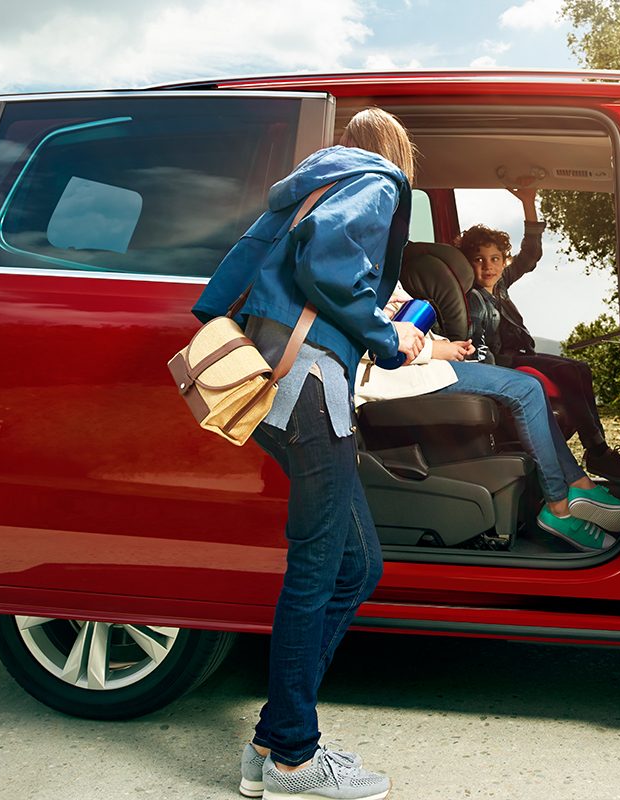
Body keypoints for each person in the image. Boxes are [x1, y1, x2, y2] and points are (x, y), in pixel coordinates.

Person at [194, 108, 421, 800]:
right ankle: (294, 759)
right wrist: (390, 338)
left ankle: (272, 740)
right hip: (311, 385)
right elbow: (329, 263)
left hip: (272, 380)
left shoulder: (309, 183)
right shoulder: (377, 179)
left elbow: (223, 287)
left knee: (358, 565)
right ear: (394, 151)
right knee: (320, 568)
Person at [356, 286, 620, 551]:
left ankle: (578, 485)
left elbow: (405, 324)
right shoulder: (356, 264)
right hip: (389, 376)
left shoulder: (382, 262)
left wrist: (444, 345)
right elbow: (362, 334)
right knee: (526, 390)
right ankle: (559, 506)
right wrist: (434, 351)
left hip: (422, 361)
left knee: (533, 385)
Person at [461, 189, 620, 482]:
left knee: (580, 368)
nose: (488, 266)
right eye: (479, 259)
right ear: (467, 263)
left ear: (503, 261)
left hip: (520, 355)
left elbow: (531, 254)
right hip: (503, 364)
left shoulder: (499, 286)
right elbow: (478, 347)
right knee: (567, 371)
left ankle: (597, 449)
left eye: (495, 259)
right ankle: (598, 452)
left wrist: (528, 203)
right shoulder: (475, 299)